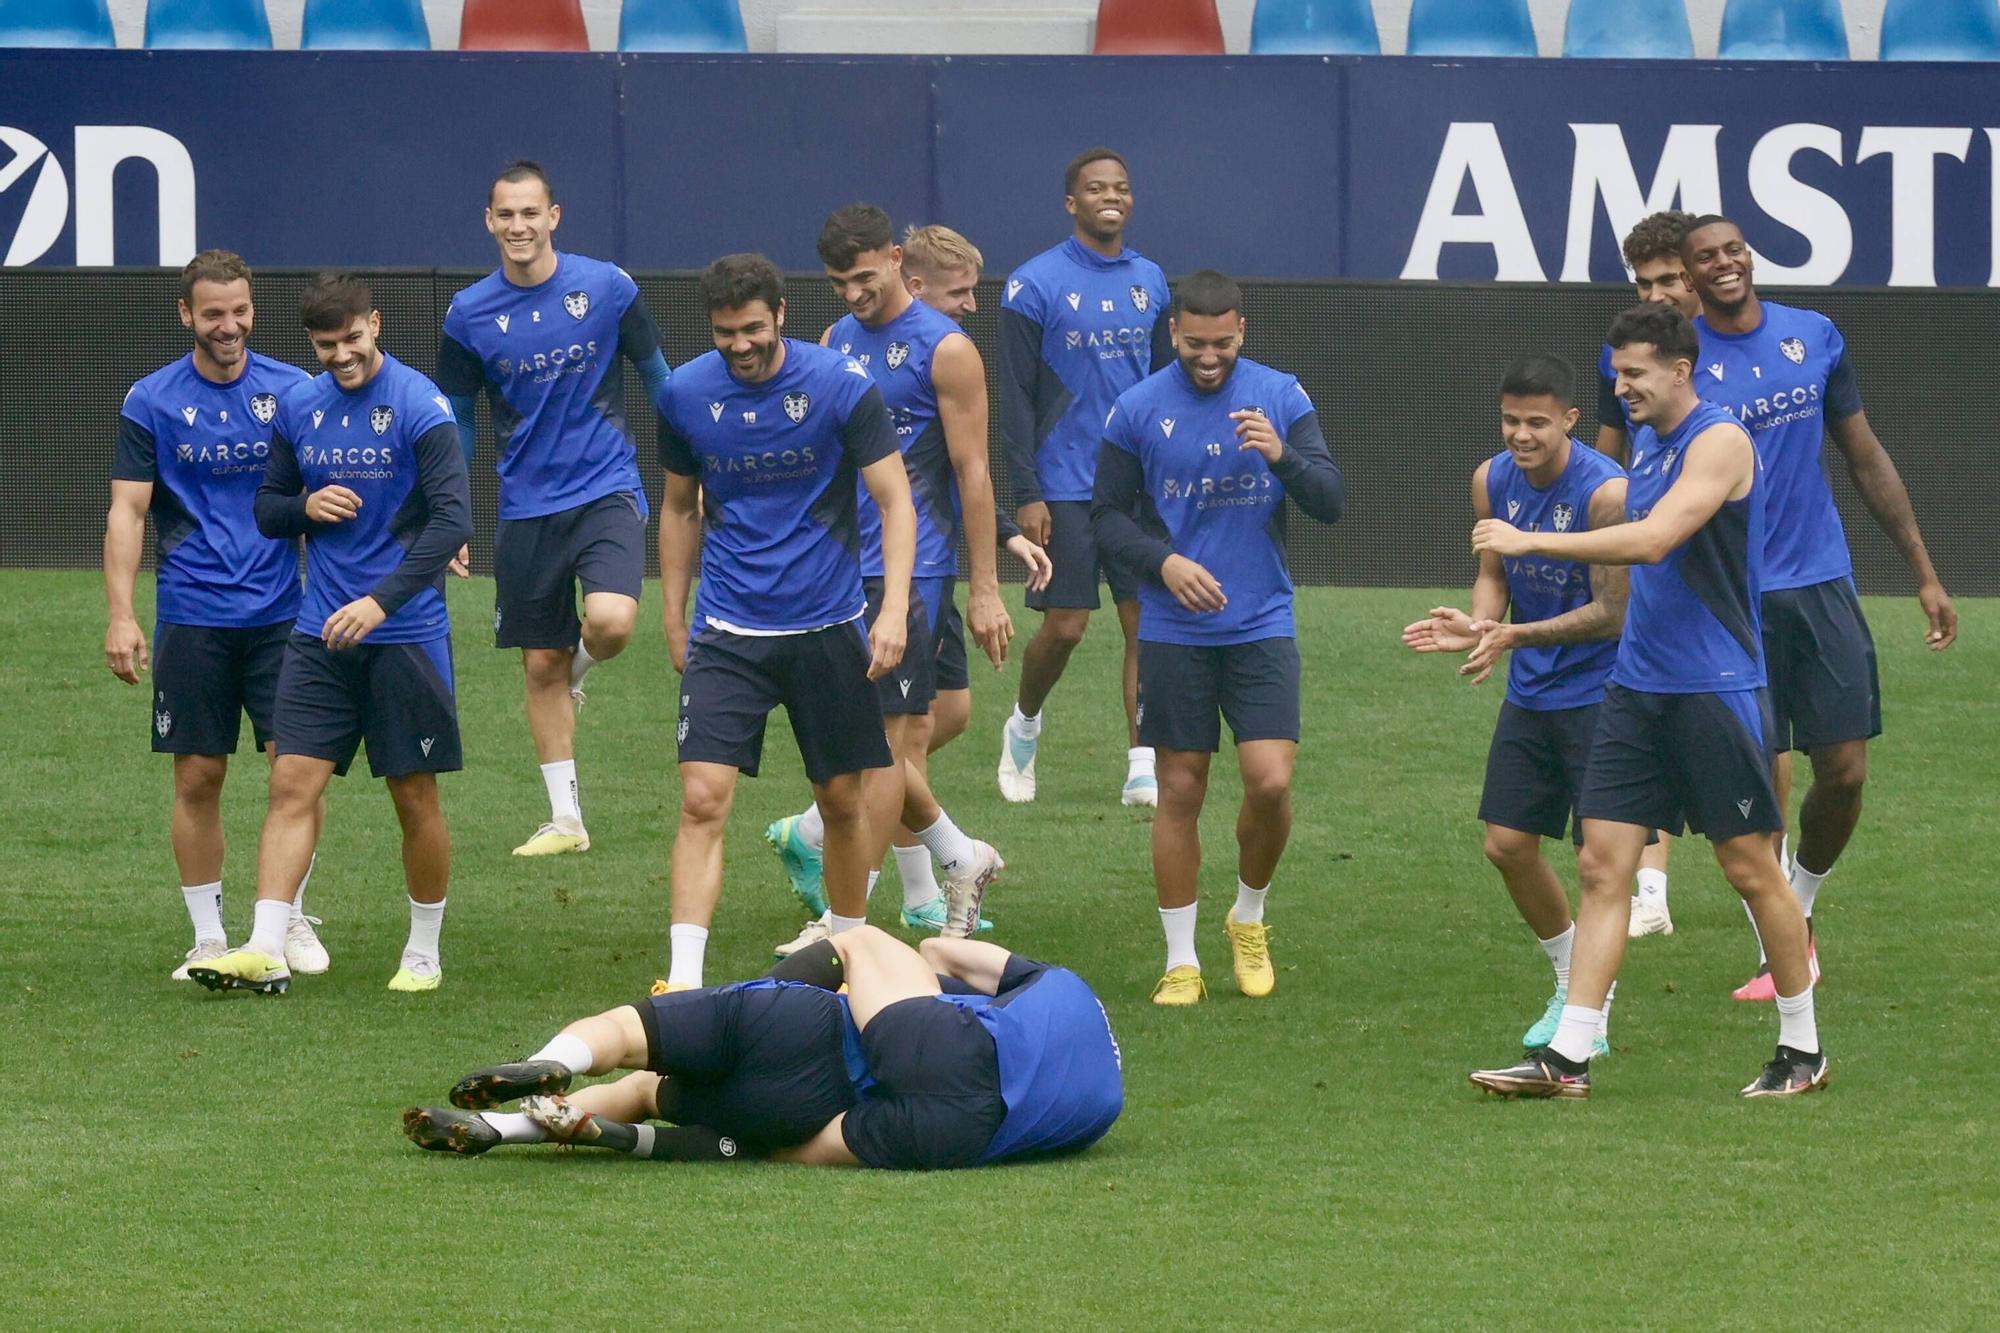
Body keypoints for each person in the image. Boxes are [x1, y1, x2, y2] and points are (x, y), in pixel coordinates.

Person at [1468, 303, 1826, 1099]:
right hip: (1635, 687)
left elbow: (1656, 538)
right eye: (1616, 372)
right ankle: (1570, 1055)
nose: (1619, 387)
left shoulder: (1720, 441)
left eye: (1632, 373)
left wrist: (1531, 541)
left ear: (1679, 370)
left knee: (1748, 867)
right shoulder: (1653, 442)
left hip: (1715, 687)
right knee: (1602, 866)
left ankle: (1803, 1047)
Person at [1681, 215, 1958, 1000]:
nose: (1724, 263)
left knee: (1843, 769)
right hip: (1729, 597)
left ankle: (1797, 905)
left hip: (1822, 584)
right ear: (1691, 275)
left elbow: (1864, 454)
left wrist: (1924, 571)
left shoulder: (1815, 335)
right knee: (1752, 781)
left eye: (1732, 249)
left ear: (1748, 255)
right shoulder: (1681, 361)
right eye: (1706, 257)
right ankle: (1776, 946)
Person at [186, 275, 473, 996]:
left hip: (403, 633)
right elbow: (267, 508)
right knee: (291, 783)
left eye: (353, 339)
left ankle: (423, 949)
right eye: (327, 345)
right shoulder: (299, 407)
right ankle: (263, 944)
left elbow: (452, 523)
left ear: (375, 324)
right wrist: (306, 504)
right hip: (319, 634)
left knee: (413, 795)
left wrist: (379, 604)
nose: (343, 356)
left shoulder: (419, 405)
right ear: (311, 345)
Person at [654, 254, 924, 992]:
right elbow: (680, 508)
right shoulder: (683, 394)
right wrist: (672, 616)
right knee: (702, 797)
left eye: (751, 330)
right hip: (729, 627)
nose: (739, 345)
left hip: (829, 625)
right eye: (723, 334)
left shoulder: (839, 385)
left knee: (841, 800)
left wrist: (893, 608)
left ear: (780, 314)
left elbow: (896, 501)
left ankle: (849, 957)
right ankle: (683, 982)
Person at [1091, 271, 1344, 1004]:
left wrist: (1281, 457)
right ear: (1173, 332)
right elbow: (1107, 515)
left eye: (1223, 343)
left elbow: (1330, 500)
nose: (1210, 356)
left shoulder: (1281, 396)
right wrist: (1164, 563)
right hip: (1174, 628)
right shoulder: (1136, 408)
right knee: (1180, 788)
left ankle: (1249, 916)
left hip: (1261, 619)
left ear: (1243, 332)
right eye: (1196, 343)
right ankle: (1181, 961)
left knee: (1270, 780)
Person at [765, 207, 1009, 951]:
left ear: (897, 260)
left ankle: (846, 921)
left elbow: (973, 472)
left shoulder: (947, 350)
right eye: (840, 283)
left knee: (888, 752)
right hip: (844, 570)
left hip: (915, 571)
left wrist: (987, 586)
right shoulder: (838, 340)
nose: (852, 295)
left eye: (864, 278)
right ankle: (947, 863)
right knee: (900, 745)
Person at [402, 926, 1123, 1170]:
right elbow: (806, 1149)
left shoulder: (1055, 984)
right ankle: (541, 1130)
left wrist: (916, 971)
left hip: (800, 1024)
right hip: (952, 1128)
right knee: (669, 1100)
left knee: (628, 1035)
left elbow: (938, 946)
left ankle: (558, 1059)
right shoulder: (1105, 1106)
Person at [436, 160, 673, 858]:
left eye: (529, 213)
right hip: (526, 507)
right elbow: (458, 419)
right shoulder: (468, 314)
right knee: (539, 662)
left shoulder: (607, 287)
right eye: (505, 214)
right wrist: (450, 509)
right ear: (489, 221)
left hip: (606, 488)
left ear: (554, 216)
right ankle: (565, 818)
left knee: (611, 621)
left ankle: (581, 674)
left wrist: (702, 457)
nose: (518, 226)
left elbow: (659, 376)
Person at [106, 250, 329, 981]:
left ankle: (286, 914)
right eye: (212, 314)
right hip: (193, 612)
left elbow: (335, 494)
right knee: (198, 775)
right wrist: (121, 613)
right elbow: (128, 511)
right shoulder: (151, 400)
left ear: (252, 308)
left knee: (292, 771)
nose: (228, 326)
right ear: (186, 315)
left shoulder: (296, 391)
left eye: (239, 311)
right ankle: (207, 935)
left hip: (282, 615)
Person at [1401, 355, 1626, 1054]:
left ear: (1569, 419)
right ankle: (1571, 978)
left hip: (1604, 693)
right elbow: (1492, 574)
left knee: (1599, 862)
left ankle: (1591, 1012)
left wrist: (1511, 636)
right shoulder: (1492, 478)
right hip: (1533, 690)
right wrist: (1478, 622)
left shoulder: (1605, 494)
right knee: (1506, 844)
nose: (1520, 435)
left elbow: (1611, 613)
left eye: (1536, 422)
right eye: (1509, 420)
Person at [997, 148, 1173, 808]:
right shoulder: (1033, 282)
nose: (1111, 196)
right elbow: (1014, 394)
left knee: (1145, 624)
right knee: (1066, 626)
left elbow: (1166, 388)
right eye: (1097, 188)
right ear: (1072, 202)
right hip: (1064, 485)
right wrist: (1027, 492)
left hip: (1135, 489)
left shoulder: (1152, 280)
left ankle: (1141, 762)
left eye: (1122, 187)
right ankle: (1023, 723)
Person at [896, 223, 1054, 761]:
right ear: (916, 287)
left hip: (933, 557)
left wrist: (1006, 534)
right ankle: (952, 849)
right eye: (959, 292)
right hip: (890, 566)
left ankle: (821, 822)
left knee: (952, 712)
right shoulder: (855, 347)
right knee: (910, 730)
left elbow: (955, 468)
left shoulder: (948, 352)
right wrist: (984, 588)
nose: (972, 305)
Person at [1592, 210, 1700, 940]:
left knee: (1767, 745)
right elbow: (1605, 462)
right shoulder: (1625, 354)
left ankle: (1778, 875)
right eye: (1645, 280)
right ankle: (1651, 891)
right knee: (1644, 711)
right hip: (1653, 561)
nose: (1658, 292)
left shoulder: (1725, 356)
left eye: (1670, 278)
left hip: (1728, 567)